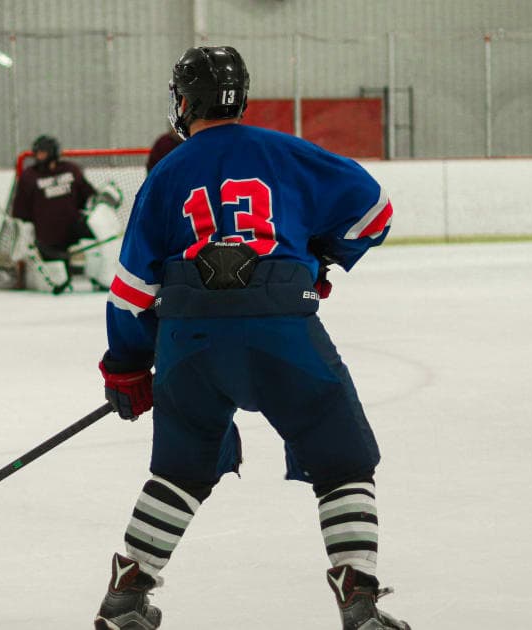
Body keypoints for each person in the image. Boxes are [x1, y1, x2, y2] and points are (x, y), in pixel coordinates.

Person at [94, 46, 408, 630]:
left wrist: (128, 369)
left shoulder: (166, 172)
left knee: (180, 469)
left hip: (192, 345)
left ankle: (127, 596)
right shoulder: (285, 151)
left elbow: (132, 290)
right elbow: (375, 212)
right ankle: (358, 597)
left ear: (185, 101)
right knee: (343, 460)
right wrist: (321, 259)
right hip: (282, 334)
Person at [11, 135, 122, 294]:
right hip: (47, 236)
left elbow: (89, 196)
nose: (39, 156)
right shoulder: (29, 176)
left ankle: (103, 274)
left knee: (101, 230)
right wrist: (26, 234)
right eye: (37, 153)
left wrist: (104, 197)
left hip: (73, 226)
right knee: (59, 280)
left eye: (43, 152)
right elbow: (21, 210)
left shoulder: (70, 169)